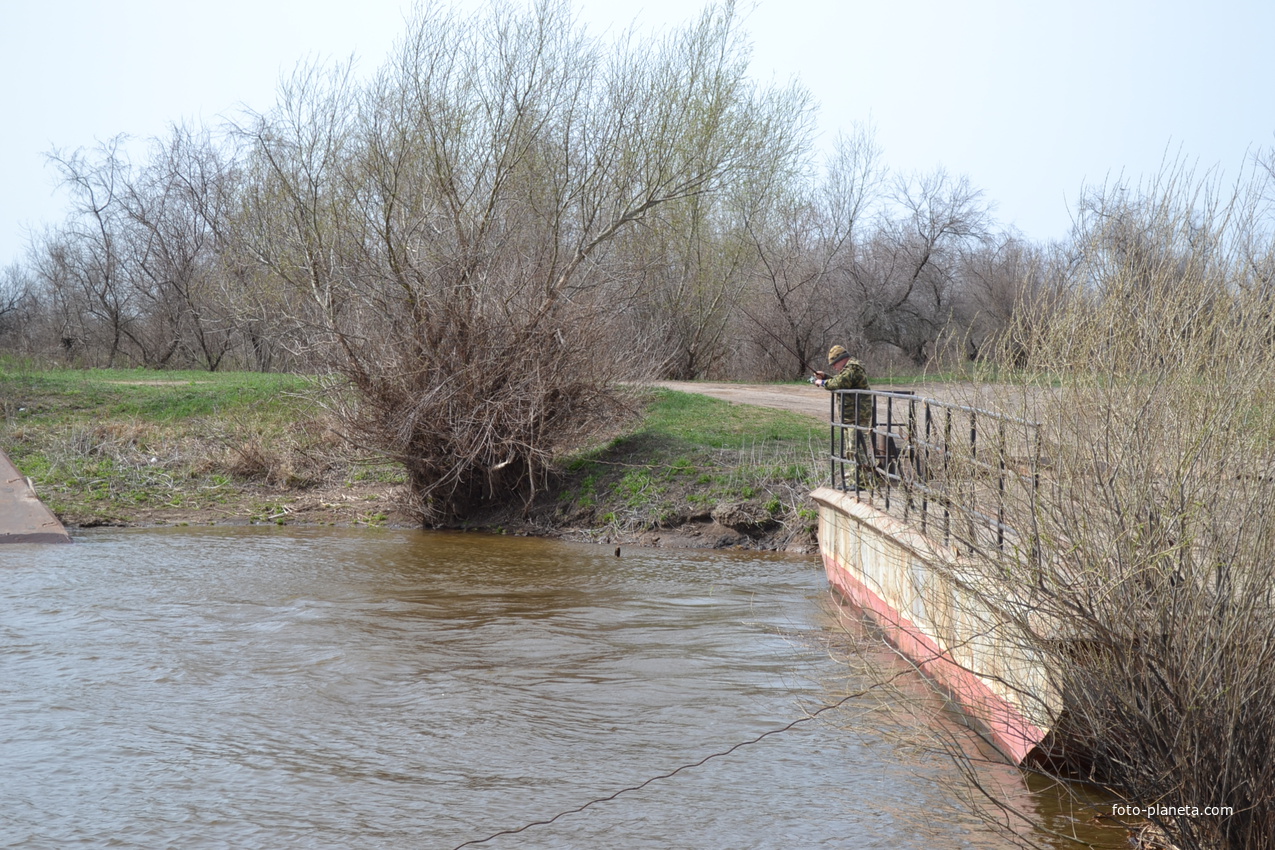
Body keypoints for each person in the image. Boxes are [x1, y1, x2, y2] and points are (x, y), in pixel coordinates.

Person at [813, 345, 874, 488]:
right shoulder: (848, 370)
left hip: (857, 416)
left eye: (834, 364)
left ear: (842, 359)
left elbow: (840, 382)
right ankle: (856, 480)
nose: (834, 367)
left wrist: (822, 382)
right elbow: (840, 381)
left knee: (857, 448)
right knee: (851, 449)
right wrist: (826, 378)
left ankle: (861, 482)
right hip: (851, 417)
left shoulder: (853, 368)